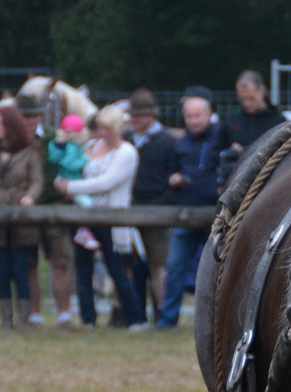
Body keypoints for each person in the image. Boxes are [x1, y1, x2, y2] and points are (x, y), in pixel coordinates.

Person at [57, 106, 147, 330]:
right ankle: (88, 319)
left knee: (117, 270)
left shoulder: (127, 153)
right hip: (84, 218)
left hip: (111, 219)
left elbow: (107, 182)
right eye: (101, 128)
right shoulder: (90, 146)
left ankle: (135, 318)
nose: (104, 133)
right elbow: (70, 167)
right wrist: (62, 180)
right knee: (83, 269)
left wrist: (71, 187)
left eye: (109, 129)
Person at [155, 88, 221, 328]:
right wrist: (174, 179)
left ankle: (214, 321)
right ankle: (167, 320)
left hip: (216, 217)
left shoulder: (221, 139)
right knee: (174, 267)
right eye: (189, 116)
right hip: (185, 216)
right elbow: (170, 173)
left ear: (209, 115)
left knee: (216, 269)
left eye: (197, 115)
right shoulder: (180, 143)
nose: (193, 121)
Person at [0, 105, 44, 331]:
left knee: (20, 269)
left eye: (0, 122)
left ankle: (23, 320)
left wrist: (29, 197)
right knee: (2, 271)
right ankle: (6, 320)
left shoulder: (29, 151)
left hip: (21, 218)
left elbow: (36, 180)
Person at [15, 92, 76, 327]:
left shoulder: (54, 139)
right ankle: (35, 314)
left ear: (40, 117)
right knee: (29, 263)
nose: (30, 121)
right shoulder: (14, 142)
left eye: (34, 116)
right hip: (26, 210)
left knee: (60, 261)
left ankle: (64, 315)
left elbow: (70, 166)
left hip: (53, 208)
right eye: (25, 116)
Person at [126, 89, 176, 319]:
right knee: (132, 264)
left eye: (140, 115)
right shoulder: (126, 139)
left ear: (151, 115)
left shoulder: (167, 141)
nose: (135, 120)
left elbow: (172, 174)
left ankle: (162, 313)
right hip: (128, 210)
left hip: (158, 210)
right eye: (133, 115)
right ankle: (133, 313)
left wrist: (163, 202)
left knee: (158, 265)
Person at [221, 70, 286, 187]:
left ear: (262, 91)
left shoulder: (278, 121)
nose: (247, 103)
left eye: (251, 98)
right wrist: (230, 150)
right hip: (236, 182)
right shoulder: (232, 120)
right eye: (243, 99)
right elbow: (217, 150)